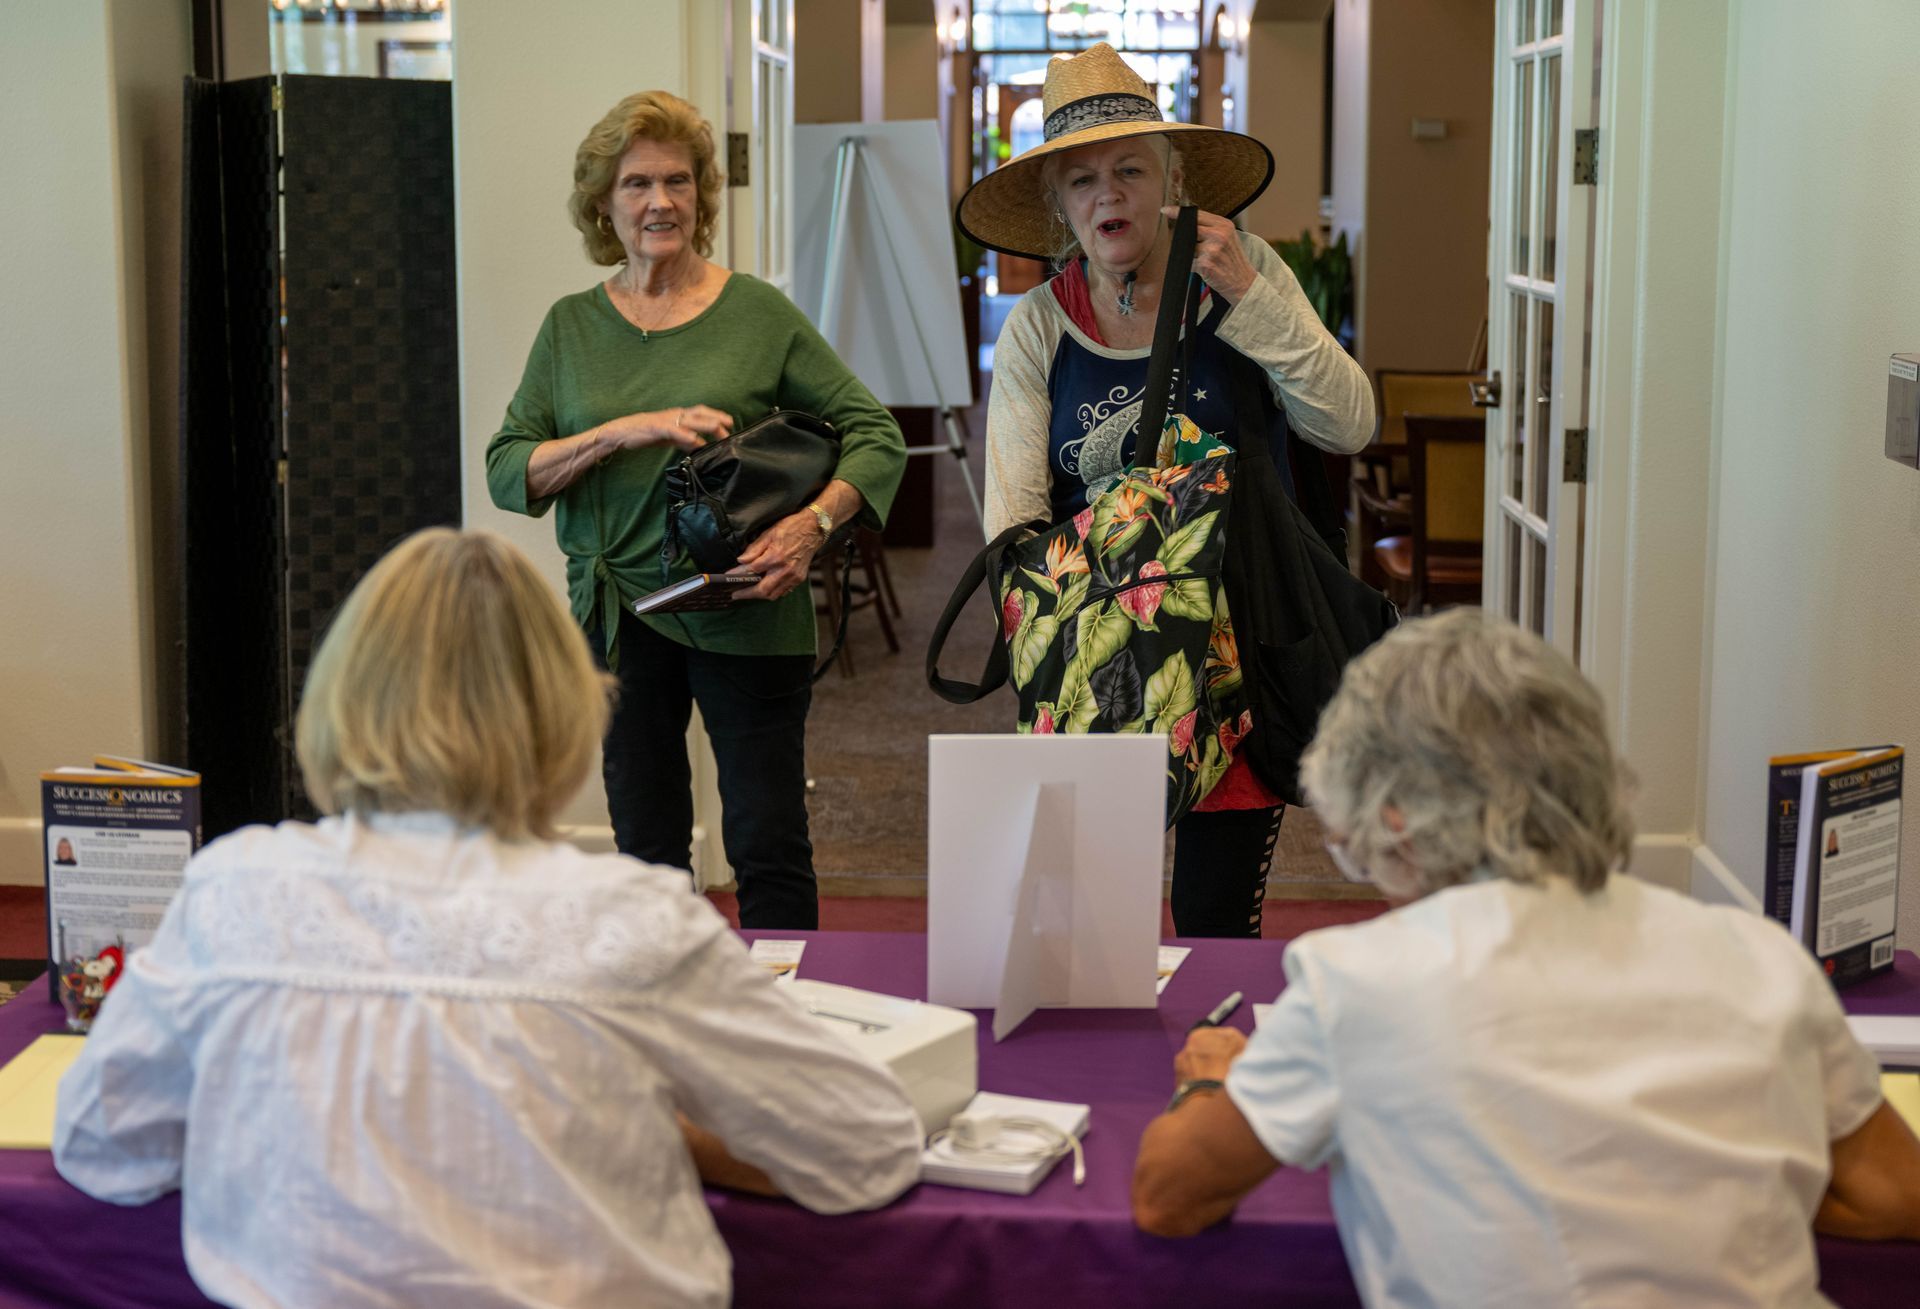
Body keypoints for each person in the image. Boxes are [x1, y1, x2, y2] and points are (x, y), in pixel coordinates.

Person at [53, 529, 925, 1309]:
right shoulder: (633, 922)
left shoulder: (236, 891)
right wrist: (663, 1125)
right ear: (563, 709)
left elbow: (100, 1144)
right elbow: (869, 1146)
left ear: (341, 700)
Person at [1131, 608, 1920, 1307]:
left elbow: (1169, 1196)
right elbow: (1894, 1195)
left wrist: (1209, 1078)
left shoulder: (1357, 979)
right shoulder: (1762, 960)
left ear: (1396, 816)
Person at [956, 43, 1374, 938]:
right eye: (1081, 180)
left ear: (1173, 177)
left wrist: (1253, 298)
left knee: (1215, 918)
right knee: (1092, 925)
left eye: (1129, 169)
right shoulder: (1040, 327)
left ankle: (1209, 1071)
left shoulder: (1246, 270)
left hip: (1240, 652)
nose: (1108, 194)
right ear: (1060, 206)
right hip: (1101, 656)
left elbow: (1350, 423)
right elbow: (1015, 521)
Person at [485, 91, 906, 930]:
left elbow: (876, 434)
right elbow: (508, 471)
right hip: (618, 616)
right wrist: (629, 430)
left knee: (767, 839)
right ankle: (666, 1026)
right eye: (637, 183)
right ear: (604, 202)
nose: (661, 202)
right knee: (646, 849)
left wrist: (809, 526)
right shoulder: (570, 328)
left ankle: (788, 1019)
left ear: (702, 196)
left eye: (678, 181)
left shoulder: (756, 313)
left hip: (746, 604)